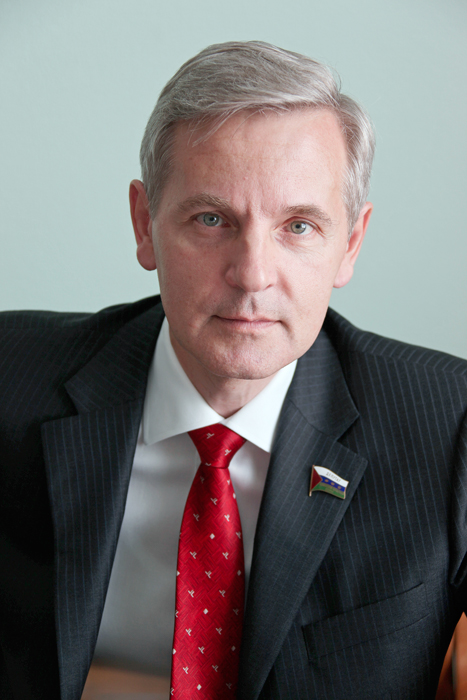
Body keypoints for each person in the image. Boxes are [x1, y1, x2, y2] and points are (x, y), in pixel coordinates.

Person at [0, 40, 466, 700]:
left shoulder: (448, 424)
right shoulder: (11, 376)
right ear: (144, 224)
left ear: (350, 243)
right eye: (211, 219)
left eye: (297, 227)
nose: (251, 275)